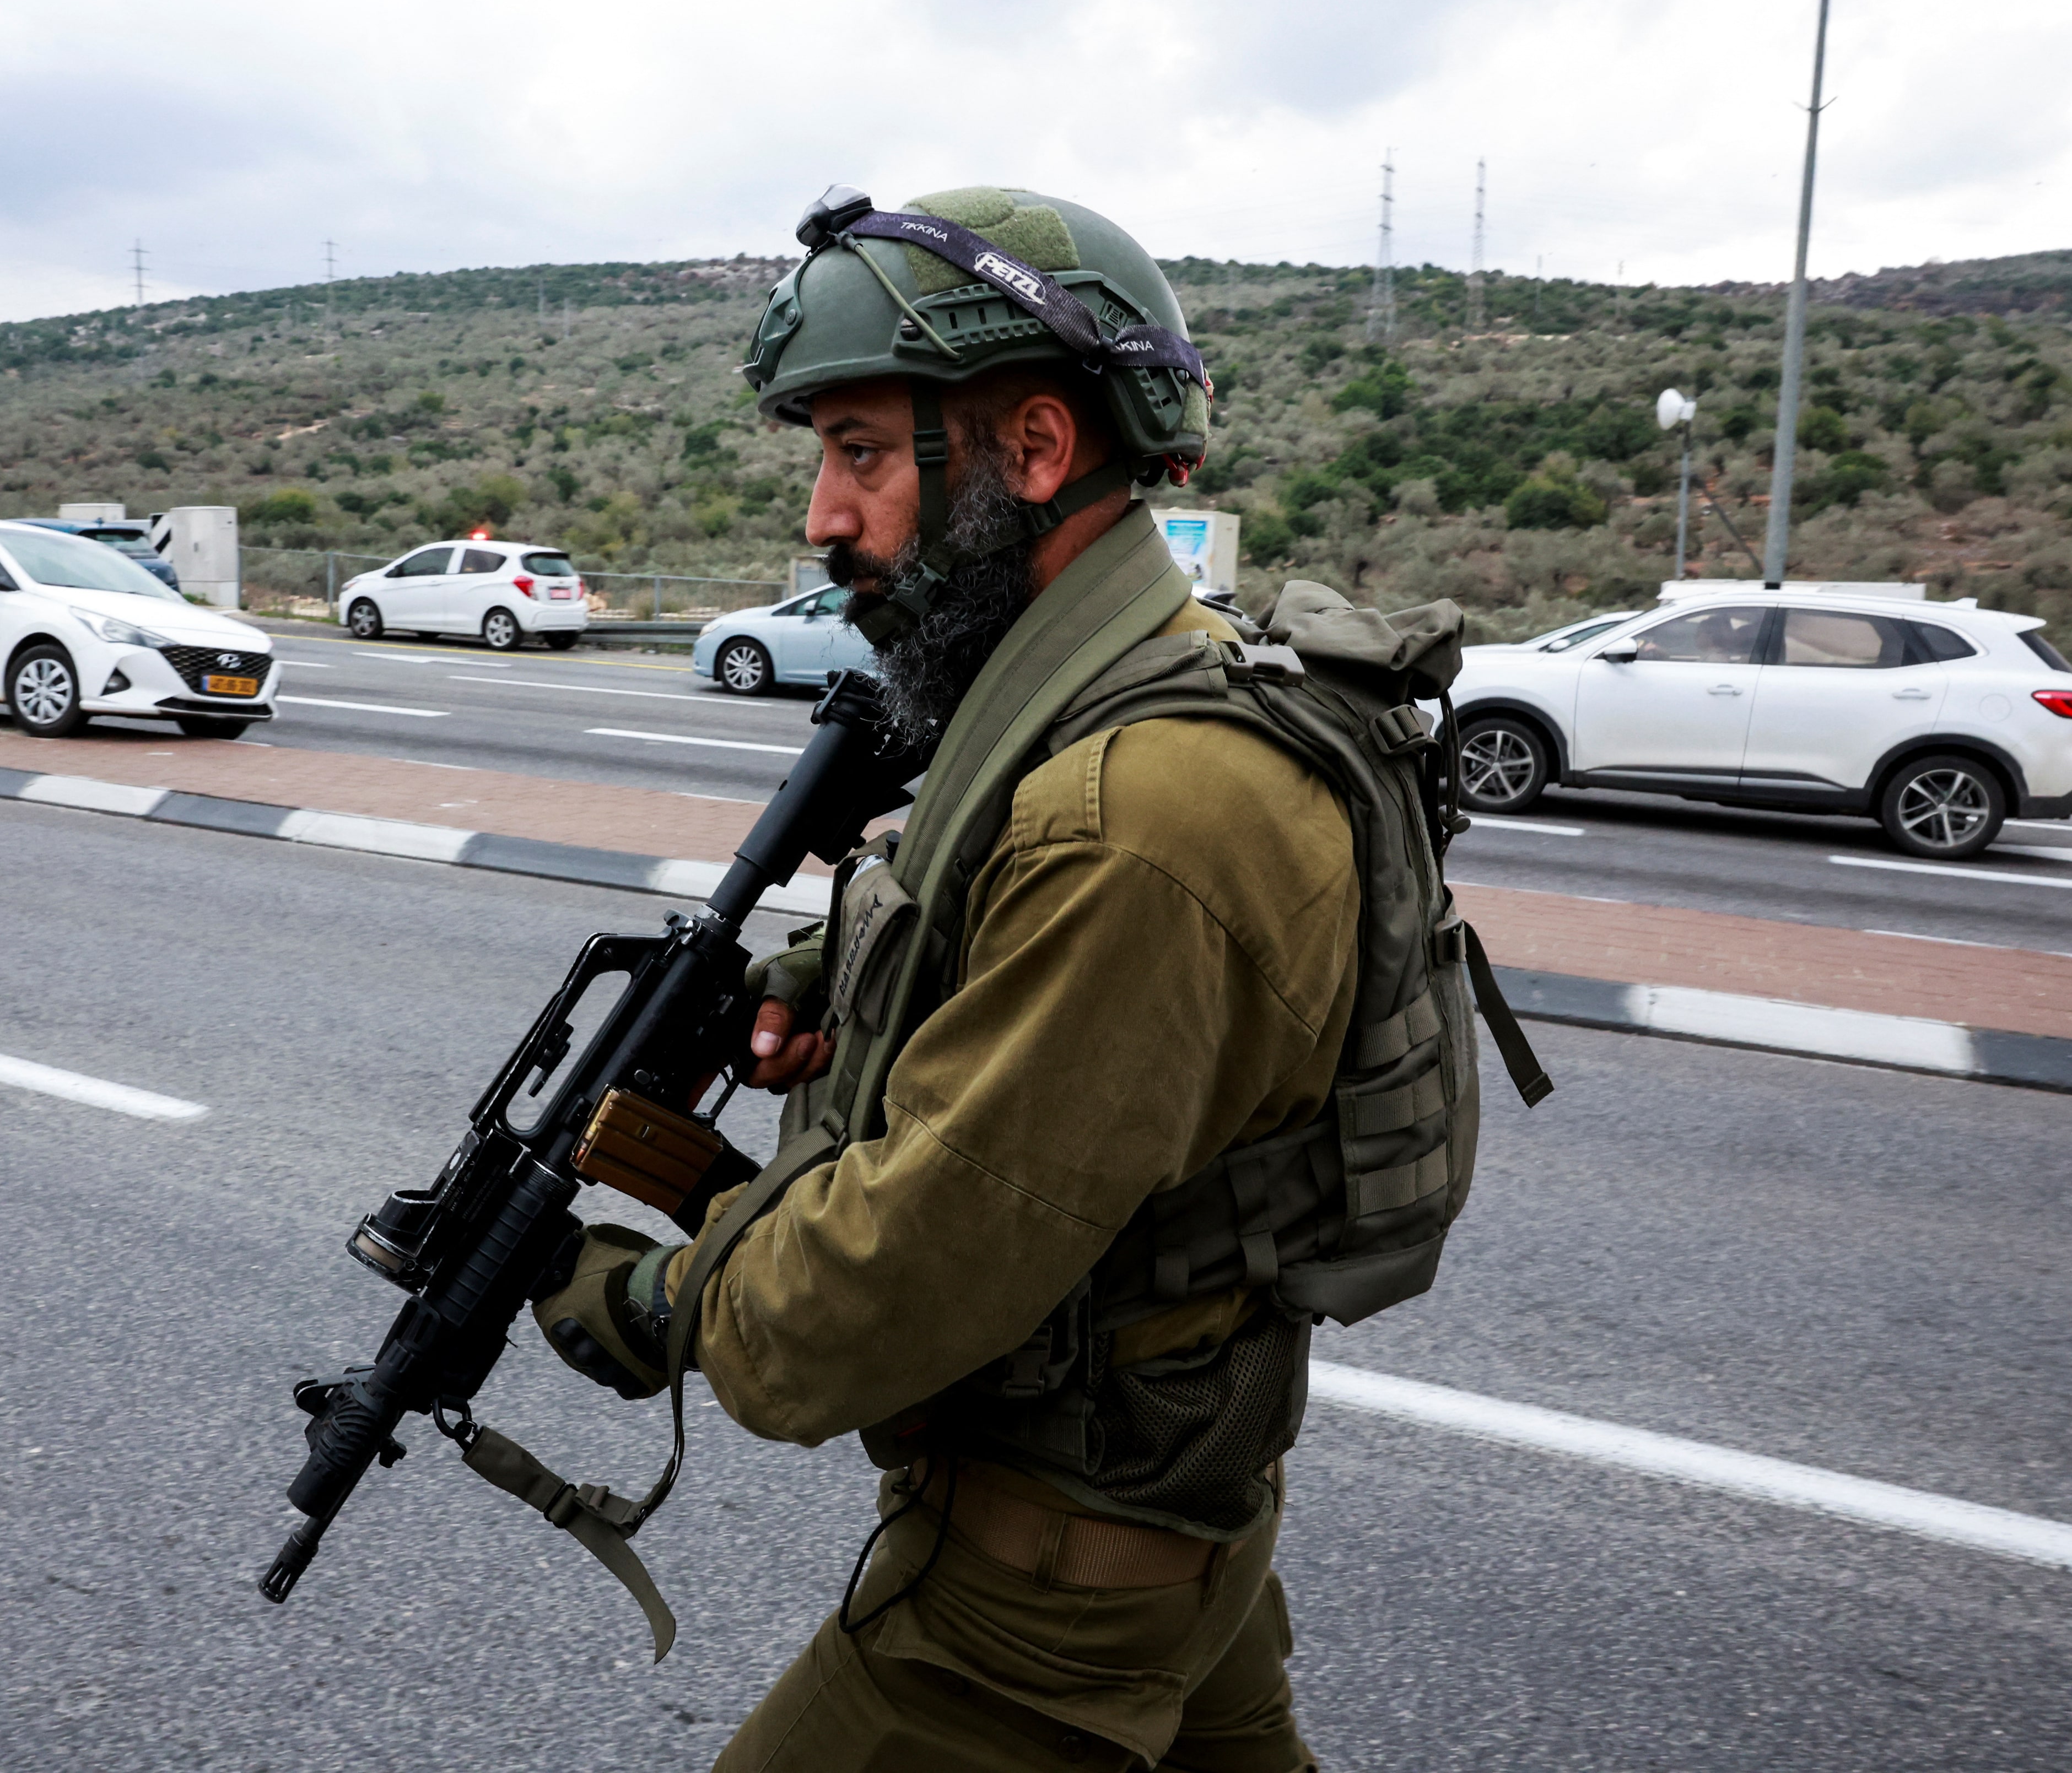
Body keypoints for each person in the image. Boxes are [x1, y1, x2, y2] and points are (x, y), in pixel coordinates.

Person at [528, 188, 1487, 1771]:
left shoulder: (1139, 811)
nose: (823, 518)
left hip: (1052, 1583)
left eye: (863, 453)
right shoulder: (1137, 690)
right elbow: (1014, 932)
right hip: (1170, 1510)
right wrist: (846, 974)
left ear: (1037, 449)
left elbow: (900, 1272)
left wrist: (649, 1304)